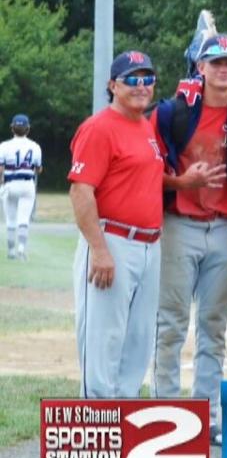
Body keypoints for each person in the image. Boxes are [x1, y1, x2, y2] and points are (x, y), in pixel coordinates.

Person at [152, 35, 227, 443]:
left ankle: (207, 418)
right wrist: (181, 182)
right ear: (201, 67)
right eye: (217, 62)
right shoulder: (172, 113)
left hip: (223, 228)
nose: (224, 69)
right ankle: (165, 415)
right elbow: (148, 170)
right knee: (171, 325)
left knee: (214, 328)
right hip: (180, 225)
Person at [68, 51, 166, 397]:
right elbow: (81, 190)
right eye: (132, 79)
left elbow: (140, 179)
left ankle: (124, 415)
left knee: (138, 340)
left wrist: (185, 183)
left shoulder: (145, 127)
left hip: (149, 245)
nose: (142, 86)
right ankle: (97, 417)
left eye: (148, 78)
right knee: (103, 340)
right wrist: (99, 250)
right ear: (113, 85)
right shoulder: (99, 127)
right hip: (112, 240)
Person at [1, 113, 42, 260]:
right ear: (28, 129)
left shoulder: (4, 146)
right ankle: (21, 249)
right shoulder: (35, 146)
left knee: (10, 219)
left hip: (10, 184)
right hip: (27, 184)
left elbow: (0, 169)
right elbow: (38, 169)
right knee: (24, 219)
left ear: (12, 128)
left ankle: (11, 250)